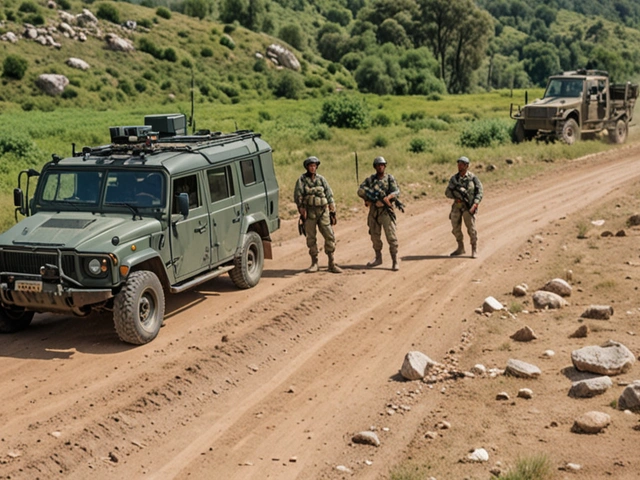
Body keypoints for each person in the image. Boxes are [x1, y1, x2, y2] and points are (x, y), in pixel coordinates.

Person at [293, 156, 342, 274]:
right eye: (310, 166)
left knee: (329, 235)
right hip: (309, 212)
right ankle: (314, 263)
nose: (313, 168)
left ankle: (331, 262)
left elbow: (329, 194)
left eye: (314, 166)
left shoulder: (321, 180)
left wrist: (332, 210)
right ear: (307, 167)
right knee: (311, 237)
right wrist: (301, 209)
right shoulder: (302, 180)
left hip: (323, 211)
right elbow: (298, 195)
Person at [357, 156, 401, 271]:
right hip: (374, 211)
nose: (380, 167)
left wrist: (388, 198)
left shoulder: (389, 178)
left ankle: (395, 260)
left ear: (385, 166)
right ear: (375, 167)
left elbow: (397, 191)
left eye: (382, 165)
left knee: (391, 236)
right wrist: (369, 200)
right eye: (378, 165)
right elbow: (360, 190)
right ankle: (378, 257)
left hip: (386, 211)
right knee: (374, 236)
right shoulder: (370, 180)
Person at [445, 156, 483, 258]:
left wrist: (475, 204)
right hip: (457, 206)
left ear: (467, 166)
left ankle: (474, 248)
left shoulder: (473, 178)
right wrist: (456, 195)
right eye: (458, 164)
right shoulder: (454, 179)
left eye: (462, 164)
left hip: (468, 207)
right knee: (455, 227)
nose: (459, 166)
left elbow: (479, 192)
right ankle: (460, 247)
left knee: (471, 228)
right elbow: (447, 192)